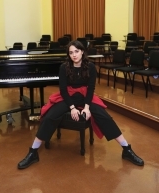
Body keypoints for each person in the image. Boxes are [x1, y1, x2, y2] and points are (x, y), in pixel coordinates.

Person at [17, 40, 144, 169]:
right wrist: (72, 108)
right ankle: (33, 152)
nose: (74, 55)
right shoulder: (63, 67)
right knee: (50, 116)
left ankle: (126, 149)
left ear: (82, 52)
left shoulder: (91, 67)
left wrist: (87, 107)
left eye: (76, 51)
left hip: (85, 96)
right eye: (71, 52)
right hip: (68, 96)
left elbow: (90, 89)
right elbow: (63, 90)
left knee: (104, 116)